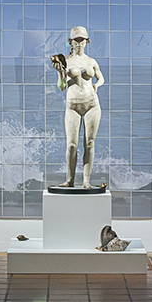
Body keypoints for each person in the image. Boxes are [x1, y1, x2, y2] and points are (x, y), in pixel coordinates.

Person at [49, 27, 105, 188]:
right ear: (71, 42)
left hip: (91, 104)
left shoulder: (91, 61)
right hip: (72, 105)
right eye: (76, 40)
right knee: (71, 145)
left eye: (82, 40)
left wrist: (96, 85)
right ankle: (70, 180)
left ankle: (86, 181)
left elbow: (101, 78)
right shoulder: (66, 61)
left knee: (90, 143)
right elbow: (61, 86)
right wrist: (60, 72)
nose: (79, 43)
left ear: (87, 42)